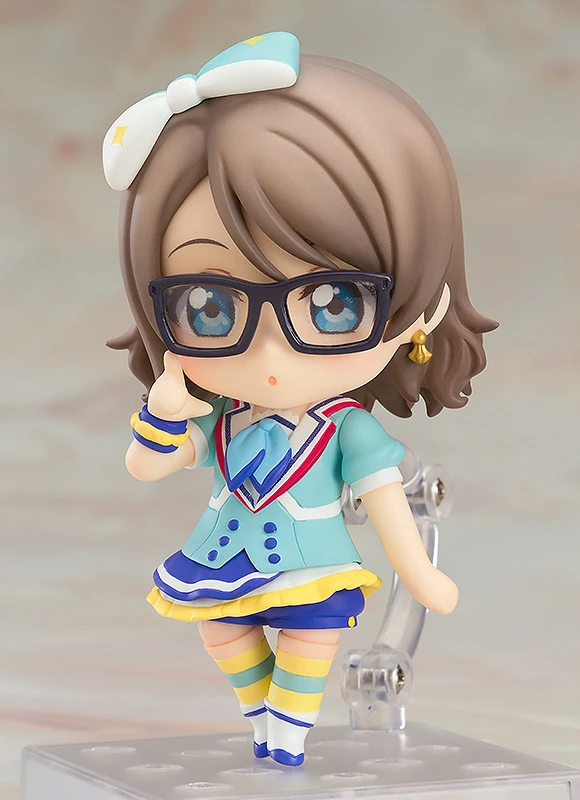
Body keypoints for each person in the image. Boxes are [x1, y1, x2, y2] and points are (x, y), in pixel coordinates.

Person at [103, 32, 497, 766]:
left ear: (422, 307)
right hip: (221, 558)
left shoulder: (348, 430)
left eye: (334, 303)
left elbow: (386, 503)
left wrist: (419, 575)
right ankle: (263, 718)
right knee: (220, 630)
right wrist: (163, 416)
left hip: (314, 561)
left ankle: (287, 735)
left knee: (311, 639)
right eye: (210, 307)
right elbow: (146, 466)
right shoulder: (220, 419)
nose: (271, 355)